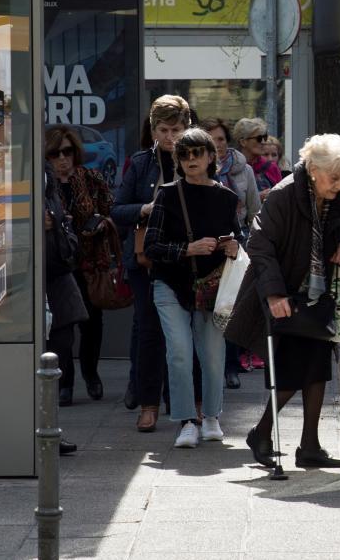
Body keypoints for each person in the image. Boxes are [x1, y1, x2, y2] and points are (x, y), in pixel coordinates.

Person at [228, 133, 340, 469]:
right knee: (292, 369)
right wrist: (273, 294)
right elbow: (259, 244)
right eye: (335, 177)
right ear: (314, 170)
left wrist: (339, 246)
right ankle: (261, 432)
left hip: (314, 292)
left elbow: (334, 232)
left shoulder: (330, 193)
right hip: (283, 292)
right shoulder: (285, 194)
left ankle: (309, 446)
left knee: (317, 368)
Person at [145, 128, 240, 449]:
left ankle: (211, 417)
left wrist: (234, 247)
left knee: (213, 356)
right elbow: (151, 246)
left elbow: (239, 239)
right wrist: (188, 249)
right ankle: (187, 420)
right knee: (180, 353)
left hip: (212, 287)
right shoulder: (168, 194)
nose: (190, 160)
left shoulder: (227, 197)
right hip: (170, 284)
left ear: (211, 156)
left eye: (196, 153)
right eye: (183, 155)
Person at [111, 94, 191, 433]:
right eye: (163, 130)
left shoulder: (197, 158)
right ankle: (148, 404)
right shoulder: (141, 162)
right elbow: (117, 209)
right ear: (153, 130)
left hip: (186, 257)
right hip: (146, 258)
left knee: (185, 332)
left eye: (176, 129)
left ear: (188, 128)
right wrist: (146, 208)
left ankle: (183, 401)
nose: (170, 138)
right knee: (149, 331)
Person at [45, 124, 116, 406]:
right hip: (60, 262)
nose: (63, 159)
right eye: (55, 153)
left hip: (90, 260)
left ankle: (91, 373)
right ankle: (65, 382)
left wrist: (100, 220)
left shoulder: (91, 178)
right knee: (62, 326)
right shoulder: (44, 184)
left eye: (68, 152)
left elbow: (112, 209)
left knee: (92, 323)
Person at [207, 117, 260, 389]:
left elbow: (254, 211)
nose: (217, 144)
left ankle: (231, 367)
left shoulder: (243, 169)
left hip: (236, 245)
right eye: (212, 139)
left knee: (230, 307)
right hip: (206, 247)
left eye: (220, 139)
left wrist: (248, 245)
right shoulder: (199, 169)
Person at [42, 170, 84, 455]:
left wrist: (55, 225)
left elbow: (70, 250)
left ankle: (50, 430)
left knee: (59, 356)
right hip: (23, 287)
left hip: (57, 287)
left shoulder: (51, 192)